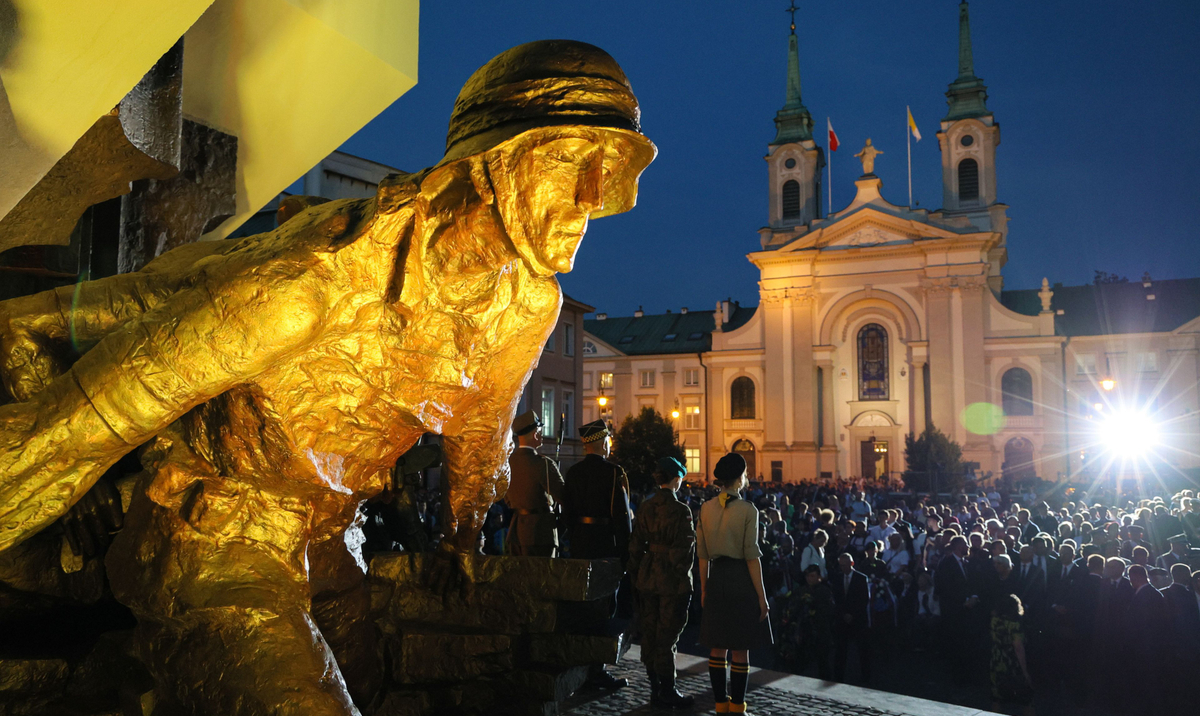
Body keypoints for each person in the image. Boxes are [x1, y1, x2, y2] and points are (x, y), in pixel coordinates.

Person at [697, 453, 772, 715]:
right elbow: (752, 557)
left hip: (716, 579)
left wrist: (704, 588)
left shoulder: (705, 509)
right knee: (740, 649)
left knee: (718, 647)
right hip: (741, 580)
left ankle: (720, 705)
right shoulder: (748, 510)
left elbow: (703, 555)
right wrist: (762, 597)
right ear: (740, 479)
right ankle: (738, 708)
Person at [563, 419, 633, 690]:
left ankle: (582, 662)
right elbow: (621, 518)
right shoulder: (614, 472)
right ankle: (596, 669)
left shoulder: (573, 472)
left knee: (583, 604)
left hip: (580, 545)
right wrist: (625, 553)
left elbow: (567, 513)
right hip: (605, 546)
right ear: (603, 443)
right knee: (605, 606)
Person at [628, 456, 696, 709]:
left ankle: (655, 688)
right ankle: (668, 690)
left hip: (647, 576)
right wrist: (683, 579)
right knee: (668, 637)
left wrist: (635, 573)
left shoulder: (645, 506)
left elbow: (635, 545)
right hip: (670, 581)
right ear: (676, 479)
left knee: (650, 633)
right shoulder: (681, 511)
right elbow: (684, 551)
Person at [504, 411, 564, 557]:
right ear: (535, 434)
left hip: (516, 531)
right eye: (540, 431)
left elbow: (506, 497)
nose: (542, 435)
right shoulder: (543, 464)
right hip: (541, 534)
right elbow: (564, 496)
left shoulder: (508, 463)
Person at [830, 552, 871, 684]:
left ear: (851, 564)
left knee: (862, 650)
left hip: (858, 619)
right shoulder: (837, 578)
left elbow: (864, 599)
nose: (843, 568)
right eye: (841, 565)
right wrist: (843, 614)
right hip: (842, 619)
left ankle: (865, 677)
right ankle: (838, 676)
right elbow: (836, 599)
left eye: (845, 565)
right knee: (840, 650)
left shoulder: (861, 578)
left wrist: (852, 614)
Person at [989, 594, 1033, 714]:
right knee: (1025, 699)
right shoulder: (1015, 624)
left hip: (997, 661)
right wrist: (1025, 672)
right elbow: (1018, 647)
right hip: (1013, 664)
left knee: (997, 698)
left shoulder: (994, 620)